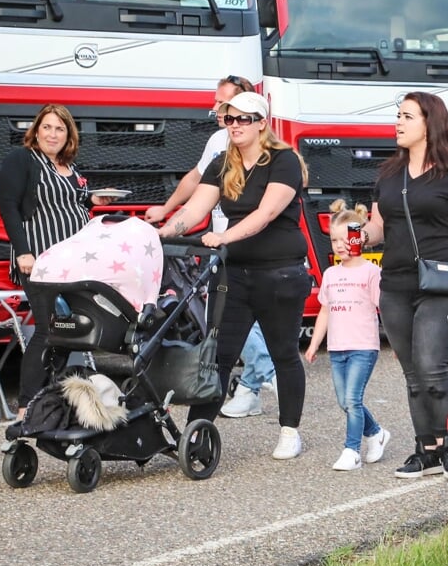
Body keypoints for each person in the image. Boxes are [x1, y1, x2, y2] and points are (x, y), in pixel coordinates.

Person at [157, 92, 313, 460]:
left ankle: (290, 430)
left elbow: (266, 213)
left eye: (244, 119)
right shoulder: (222, 163)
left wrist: (225, 235)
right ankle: (197, 435)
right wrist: (162, 232)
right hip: (234, 273)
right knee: (219, 354)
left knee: (283, 352)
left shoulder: (284, 161)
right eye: (230, 119)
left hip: (280, 273)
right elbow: (195, 208)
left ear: (262, 123)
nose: (236, 125)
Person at [358, 91, 448, 479]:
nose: (397, 122)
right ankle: (426, 450)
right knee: (413, 375)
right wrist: (359, 236)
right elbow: (378, 228)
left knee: (432, 368)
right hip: (395, 284)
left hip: (442, 283)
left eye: (407, 116)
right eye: (397, 116)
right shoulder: (387, 175)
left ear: (429, 123)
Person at [0, 103, 118, 413]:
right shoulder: (22, 160)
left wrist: (93, 199)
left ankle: (48, 393)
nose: (52, 134)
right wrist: (24, 251)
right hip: (40, 259)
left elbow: (73, 203)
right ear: (36, 129)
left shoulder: (69, 166)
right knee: (48, 328)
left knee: (72, 327)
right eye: (47, 127)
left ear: (69, 135)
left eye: (59, 128)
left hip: (73, 263)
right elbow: (8, 206)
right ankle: (26, 406)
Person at [304, 199, 391, 472]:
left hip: (363, 347)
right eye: (333, 241)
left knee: (352, 400)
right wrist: (314, 343)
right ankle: (377, 433)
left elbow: (383, 308)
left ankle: (351, 450)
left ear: (360, 238)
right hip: (337, 348)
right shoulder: (330, 274)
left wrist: (396, 339)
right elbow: (325, 312)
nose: (340, 245)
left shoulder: (372, 272)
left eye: (345, 239)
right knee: (345, 402)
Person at [145, 75, 256, 226]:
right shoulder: (217, 139)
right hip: (221, 243)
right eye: (216, 102)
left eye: (221, 103)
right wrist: (165, 209)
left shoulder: (262, 144)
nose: (215, 109)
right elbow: (195, 178)